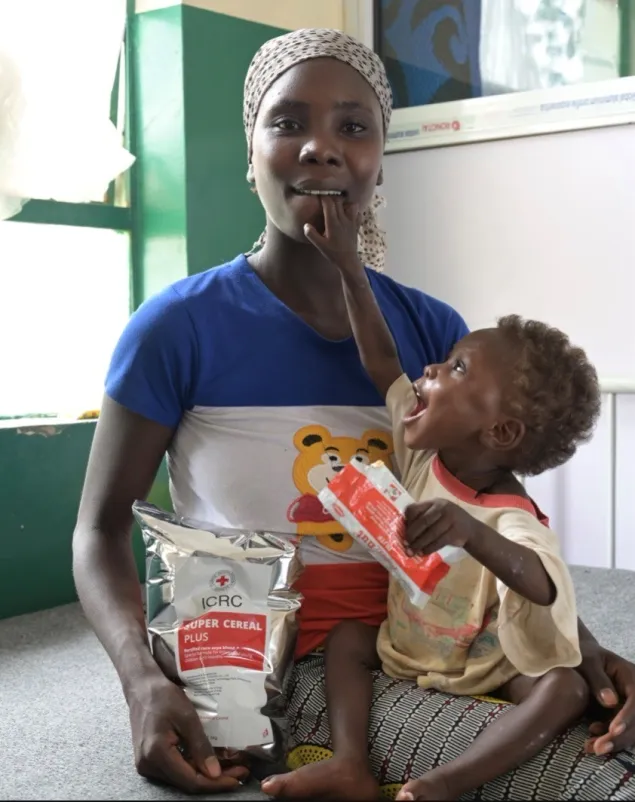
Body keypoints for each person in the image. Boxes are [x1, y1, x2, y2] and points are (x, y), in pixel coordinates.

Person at [72, 27, 635, 799]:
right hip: (293, 662)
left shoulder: (435, 331)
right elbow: (97, 530)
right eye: (287, 122)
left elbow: (492, 514)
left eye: (352, 126)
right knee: (590, 781)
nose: (320, 148)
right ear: (251, 151)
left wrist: (584, 651)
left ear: (378, 159)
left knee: (598, 721)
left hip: (440, 639)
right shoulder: (176, 328)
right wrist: (141, 681)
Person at [261, 194, 601, 801]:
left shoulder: (512, 519)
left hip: (486, 669)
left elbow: (544, 584)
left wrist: (472, 533)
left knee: (565, 689)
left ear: (499, 433)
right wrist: (348, 268)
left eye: (457, 369)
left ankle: (443, 785)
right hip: (405, 648)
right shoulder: (423, 456)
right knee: (346, 638)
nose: (431, 372)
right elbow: (381, 360)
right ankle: (350, 763)